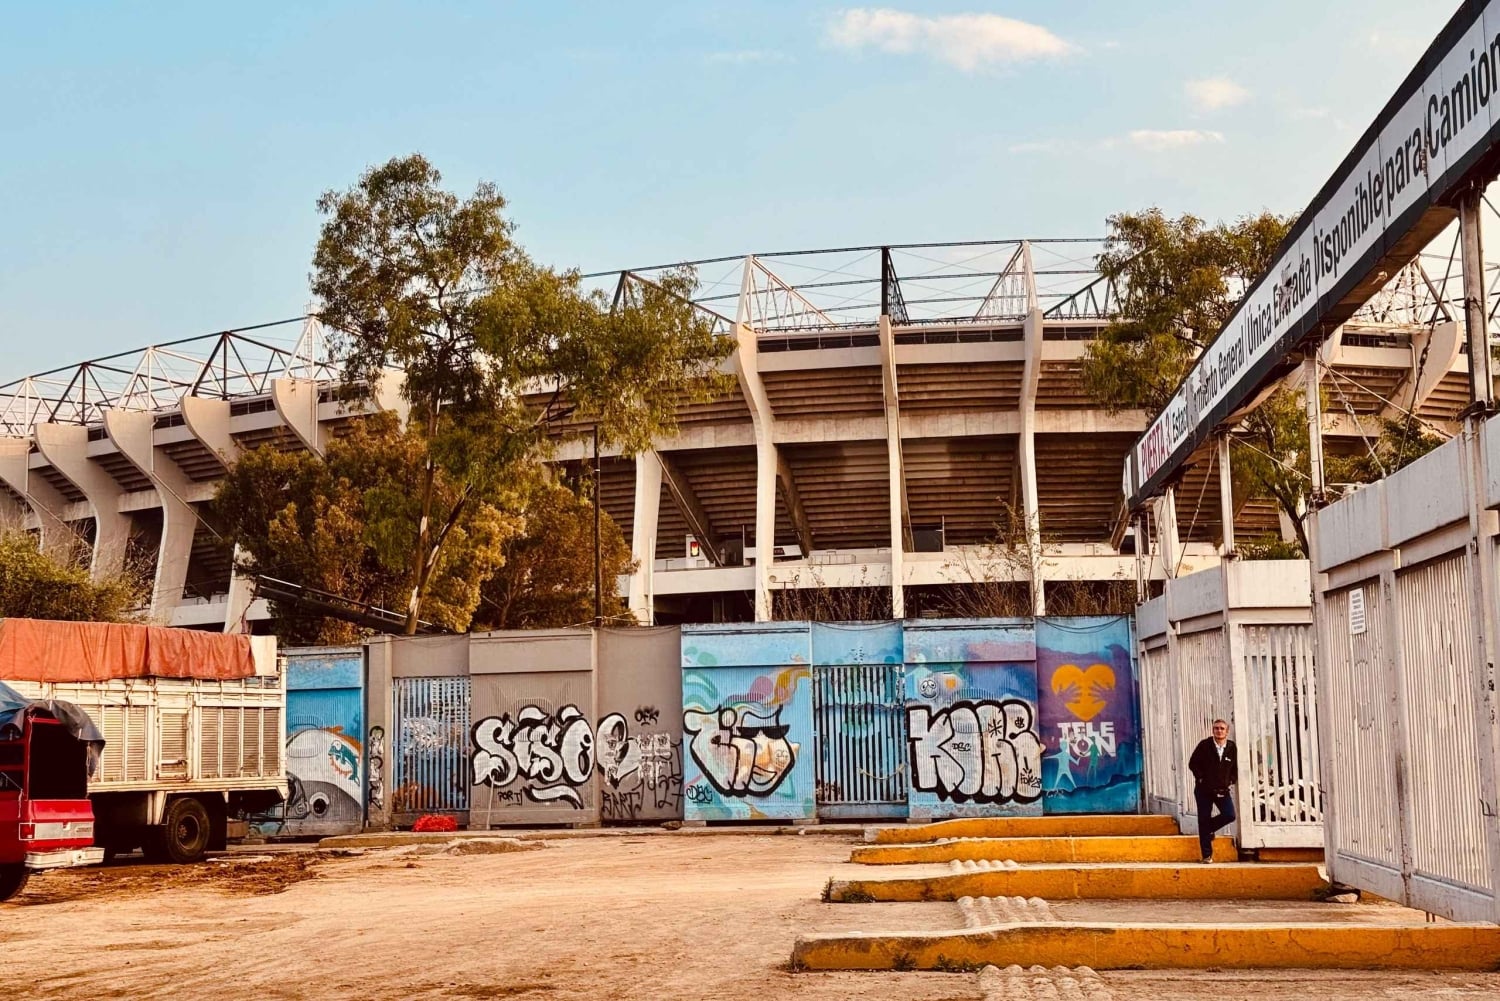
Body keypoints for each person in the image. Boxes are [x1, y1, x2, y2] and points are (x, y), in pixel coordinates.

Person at [1187, 718, 1237, 863]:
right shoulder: (1205, 745)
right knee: (1203, 818)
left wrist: (1231, 780)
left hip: (1222, 789)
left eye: (1222, 728)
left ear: (1227, 731)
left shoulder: (1231, 747)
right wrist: (1201, 778)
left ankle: (1209, 829)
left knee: (1229, 815)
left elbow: (1234, 767)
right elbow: (1193, 763)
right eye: (1216, 728)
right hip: (1204, 790)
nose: (1219, 731)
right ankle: (1207, 855)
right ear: (1213, 730)